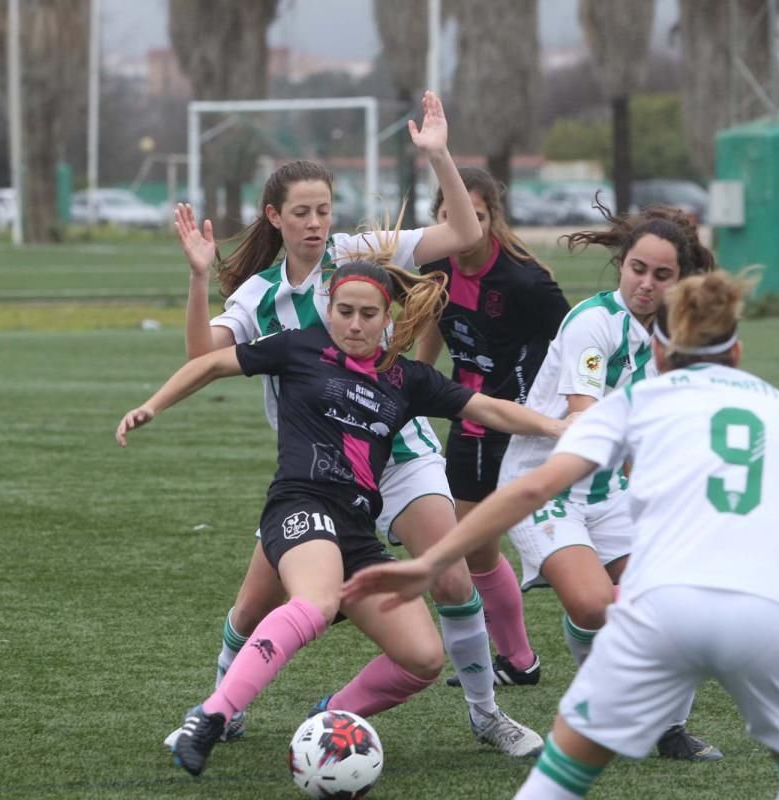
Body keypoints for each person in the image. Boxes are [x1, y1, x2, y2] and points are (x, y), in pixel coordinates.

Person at [344, 269, 779, 800]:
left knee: (560, 780)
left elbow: (532, 490)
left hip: (662, 612)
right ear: (738, 353)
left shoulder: (636, 402)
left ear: (661, 355)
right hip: (771, 611)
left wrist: (428, 562)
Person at [169, 91, 545, 757]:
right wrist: (200, 280)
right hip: (318, 467)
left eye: (323, 210)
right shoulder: (259, 295)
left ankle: (486, 716)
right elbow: (204, 356)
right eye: (302, 213)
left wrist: (438, 157)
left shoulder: (359, 249)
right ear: (274, 217)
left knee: (452, 576)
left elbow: (464, 234)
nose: (316, 223)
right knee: (254, 604)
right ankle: (220, 709)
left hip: (400, 451)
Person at [116, 260, 569, 777]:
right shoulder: (297, 347)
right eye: (345, 311)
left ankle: (333, 714)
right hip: (300, 503)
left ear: (387, 319)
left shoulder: (407, 377)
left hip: (357, 527)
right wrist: (153, 405)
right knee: (313, 600)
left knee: (423, 658)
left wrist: (559, 428)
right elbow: (211, 363)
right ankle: (213, 715)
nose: (355, 324)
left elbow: (489, 409)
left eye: (367, 314)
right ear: (328, 310)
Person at [490, 202, 721, 761]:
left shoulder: (673, 335)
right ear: (621, 265)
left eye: (662, 275)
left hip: (606, 489)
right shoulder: (594, 322)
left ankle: (665, 727)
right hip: (544, 485)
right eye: (638, 268)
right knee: (596, 606)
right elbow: (585, 419)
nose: (646, 283)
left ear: (679, 281)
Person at [415, 166, 570, 689]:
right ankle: (514, 656)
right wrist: (415, 381)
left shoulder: (524, 279)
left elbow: (572, 339)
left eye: (476, 217)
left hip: (515, 422)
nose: (465, 226)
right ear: (439, 217)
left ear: (492, 219)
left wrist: (561, 408)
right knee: (475, 545)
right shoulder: (434, 263)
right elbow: (432, 320)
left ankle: (518, 656)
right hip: (471, 415)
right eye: (452, 215)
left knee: (475, 544)